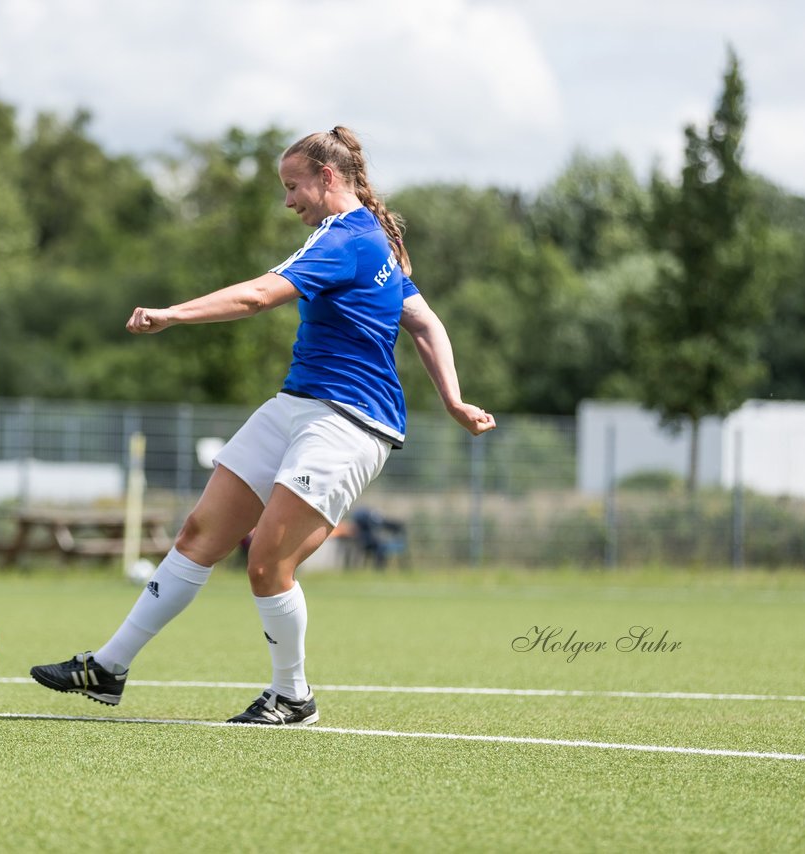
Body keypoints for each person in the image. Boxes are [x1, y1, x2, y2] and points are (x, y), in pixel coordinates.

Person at [30, 126, 495, 725]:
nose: (288, 200)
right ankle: (109, 667)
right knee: (200, 533)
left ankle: (293, 697)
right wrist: (453, 400)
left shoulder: (347, 237)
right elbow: (426, 324)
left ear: (328, 178)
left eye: (293, 186)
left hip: (350, 420)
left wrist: (174, 313)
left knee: (267, 563)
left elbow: (256, 297)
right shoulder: (372, 238)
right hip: (296, 404)